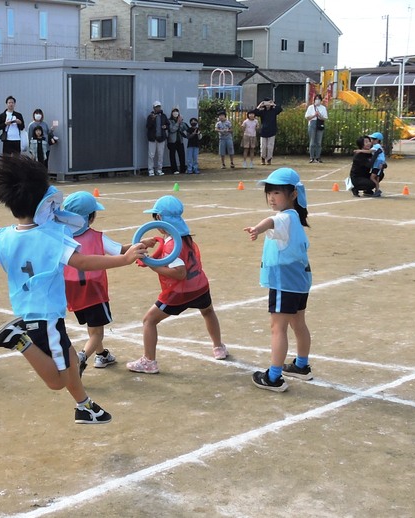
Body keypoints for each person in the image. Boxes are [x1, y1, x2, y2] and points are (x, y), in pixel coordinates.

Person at [0, 155, 148, 424]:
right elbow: (82, 261)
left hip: (34, 311)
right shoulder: (51, 236)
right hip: (44, 317)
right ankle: (17, 339)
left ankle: (85, 406)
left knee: (68, 356)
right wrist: (125, 259)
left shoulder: (5, 236)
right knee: (56, 381)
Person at [127, 195, 228, 373]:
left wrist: (152, 264)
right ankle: (218, 347)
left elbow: (179, 273)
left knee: (149, 320)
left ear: (159, 218)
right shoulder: (184, 236)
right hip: (199, 285)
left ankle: (149, 361)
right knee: (208, 311)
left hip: (180, 292)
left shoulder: (171, 244)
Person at [61, 191, 156, 375]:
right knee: (97, 332)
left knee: (93, 324)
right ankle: (81, 357)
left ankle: (102, 355)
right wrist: (139, 245)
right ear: (90, 217)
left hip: (70, 288)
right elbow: (120, 251)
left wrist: (141, 243)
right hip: (94, 287)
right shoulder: (97, 237)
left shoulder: (61, 237)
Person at [243, 168, 312, 392]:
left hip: (285, 282)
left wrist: (257, 229)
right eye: (269, 193)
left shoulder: (284, 217)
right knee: (297, 322)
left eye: (277, 193)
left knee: (278, 327)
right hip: (300, 280)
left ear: (293, 195)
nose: (272, 198)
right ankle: (301, 365)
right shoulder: (295, 218)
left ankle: (274, 377)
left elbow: (271, 221)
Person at [253, 98, 283, 165]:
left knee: (270, 146)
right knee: (263, 146)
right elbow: (254, 113)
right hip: (264, 131)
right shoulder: (262, 111)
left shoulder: (274, 111)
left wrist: (273, 104)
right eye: (266, 104)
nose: (267, 105)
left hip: (272, 130)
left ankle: (269, 159)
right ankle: (263, 158)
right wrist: (259, 105)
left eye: (268, 103)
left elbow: (280, 109)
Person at [146, 101, 169, 176]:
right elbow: (148, 126)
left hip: (161, 138)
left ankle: (159, 169)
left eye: (159, 106)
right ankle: (150, 170)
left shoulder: (164, 116)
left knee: (160, 154)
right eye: (156, 107)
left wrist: (165, 127)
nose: (158, 108)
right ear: (154, 108)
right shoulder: (150, 116)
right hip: (152, 138)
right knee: (151, 155)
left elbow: (167, 124)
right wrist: (152, 119)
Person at [305, 94, 328, 163]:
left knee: (318, 142)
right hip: (312, 124)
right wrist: (314, 115)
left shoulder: (323, 108)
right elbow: (307, 117)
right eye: (316, 99)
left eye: (319, 99)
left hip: (319, 124)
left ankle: (318, 157)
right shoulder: (311, 107)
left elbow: (325, 118)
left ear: (321, 100)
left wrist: (319, 115)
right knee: (312, 142)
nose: (317, 101)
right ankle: (312, 157)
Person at [166, 108, 188, 175]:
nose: (175, 113)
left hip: (180, 140)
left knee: (182, 155)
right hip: (172, 141)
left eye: (176, 112)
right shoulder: (169, 121)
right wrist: (178, 123)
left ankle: (183, 169)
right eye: (174, 112)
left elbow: (185, 130)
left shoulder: (181, 121)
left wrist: (181, 123)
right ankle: (174, 169)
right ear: (172, 113)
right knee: (172, 156)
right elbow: (172, 129)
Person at [368, 132, 387, 197]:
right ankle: (376, 190)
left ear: (377, 140)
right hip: (378, 164)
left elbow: (369, 151)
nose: (372, 140)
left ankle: (378, 190)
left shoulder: (377, 146)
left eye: (374, 139)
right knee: (376, 178)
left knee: (372, 177)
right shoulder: (377, 146)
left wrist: (360, 151)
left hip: (378, 164)